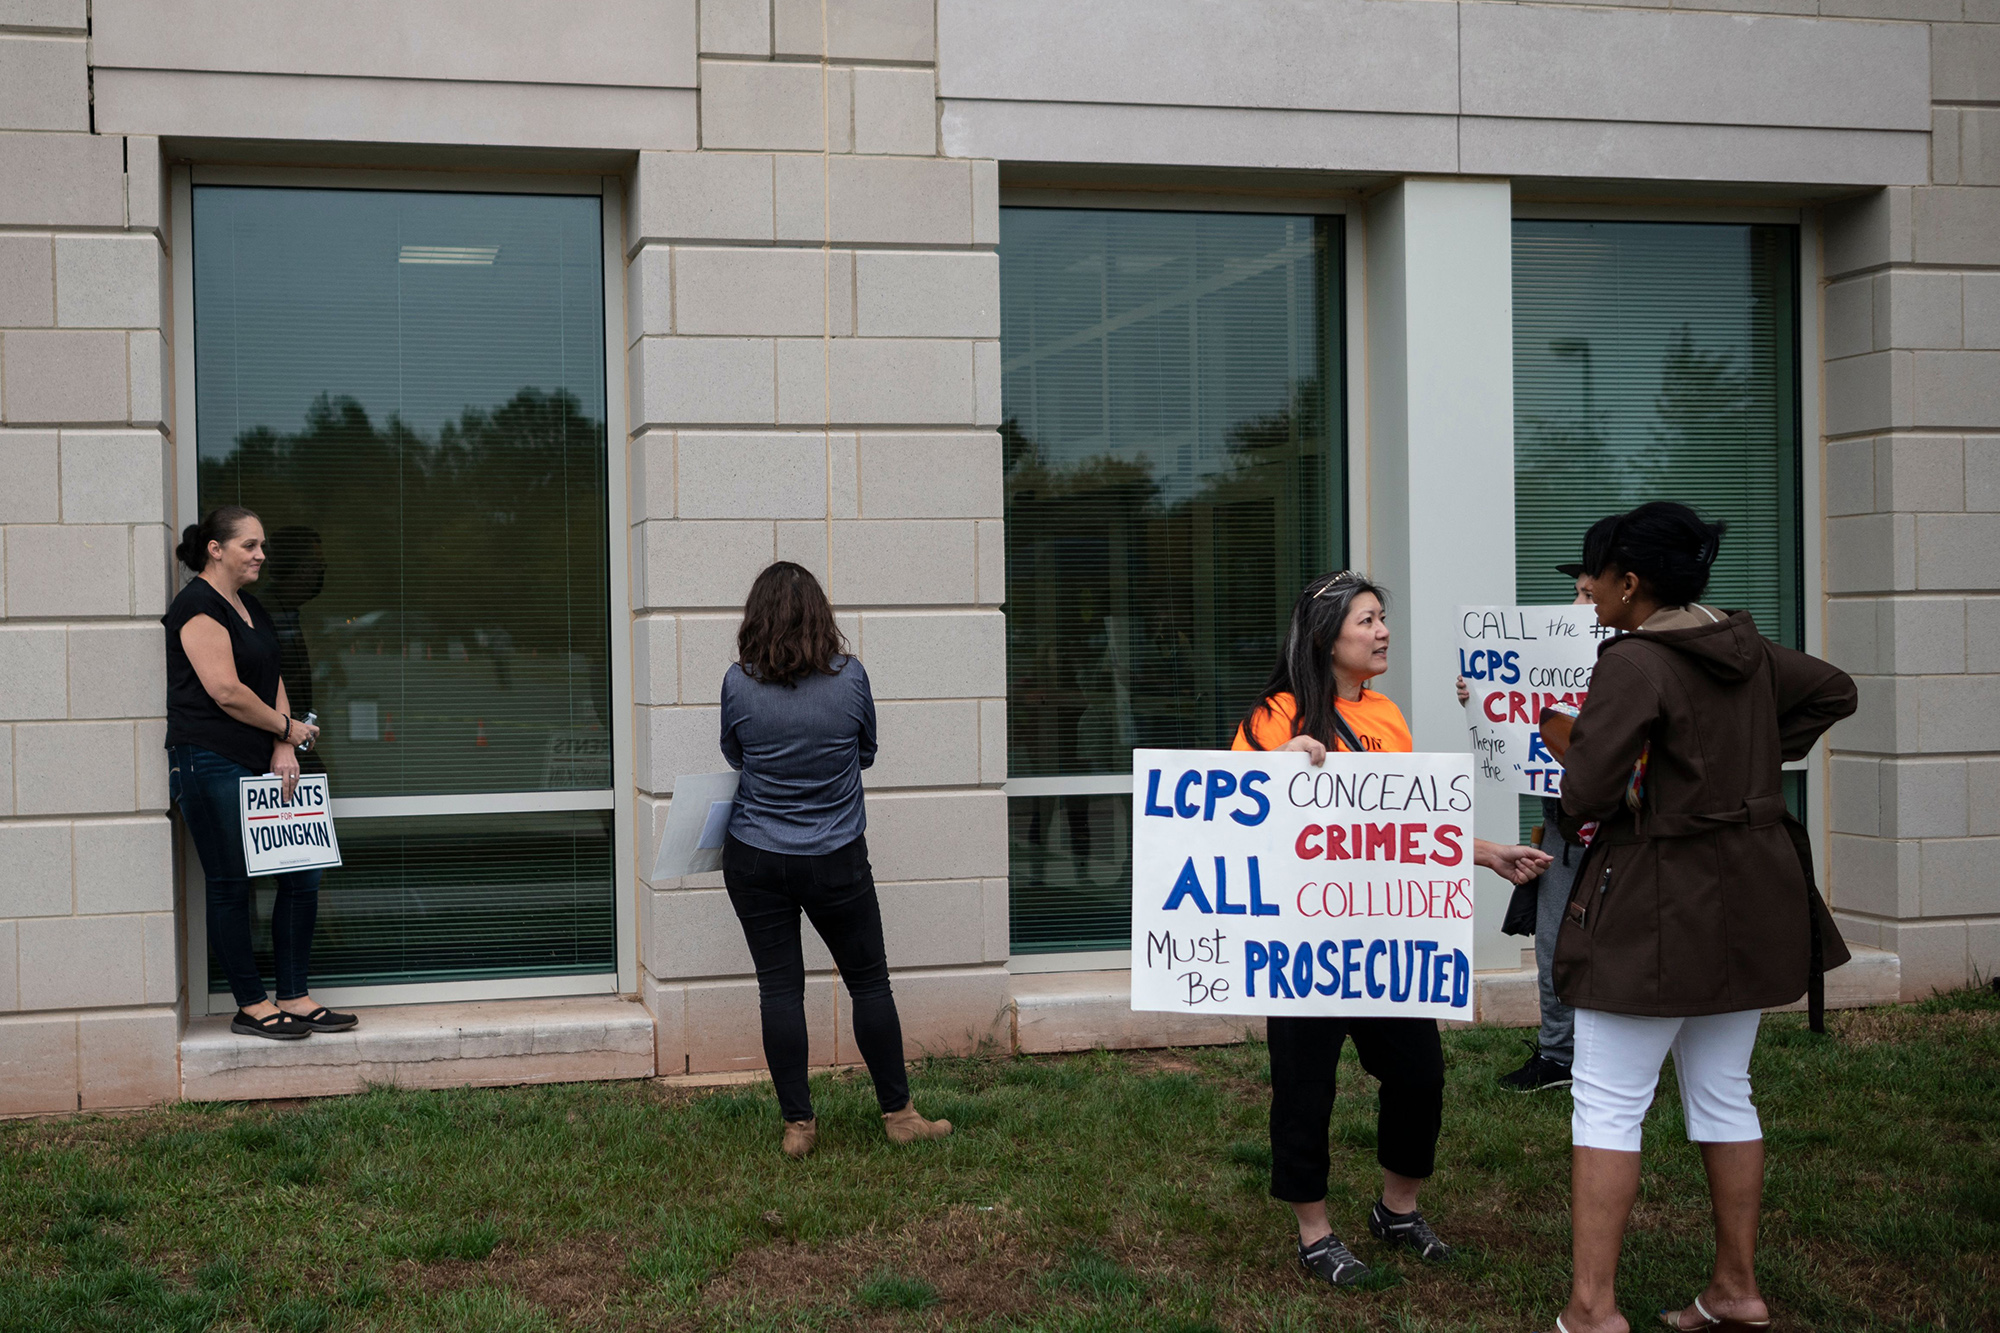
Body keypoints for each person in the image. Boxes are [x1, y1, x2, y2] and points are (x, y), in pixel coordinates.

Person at [1538, 502, 1855, 1333]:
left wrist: (1571, 746)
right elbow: (1835, 689)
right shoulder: (1741, 647)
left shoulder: (1634, 662)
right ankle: (1736, 1288)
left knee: (1606, 1102)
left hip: (1653, 901)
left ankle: (1593, 1308)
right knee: (1724, 1091)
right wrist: (1740, 757)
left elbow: (1585, 799)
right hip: (1753, 896)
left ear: (1630, 582)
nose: (1589, 590)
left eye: (1595, 574)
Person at [1235, 570, 1552, 1288]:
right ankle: (1314, 1233)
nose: (1382, 632)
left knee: (1420, 1074)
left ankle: (1396, 1210)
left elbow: (1404, 826)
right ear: (1326, 637)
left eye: (1382, 618)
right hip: (1303, 942)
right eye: (1366, 621)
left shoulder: (1388, 715)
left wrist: (1486, 852)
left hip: (1384, 936)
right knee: (1305, 1087)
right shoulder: (1273, 717)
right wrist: (1283, 765)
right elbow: (1234, 820)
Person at [718, 561, 951, 1158]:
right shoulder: (852, 678)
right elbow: (867, 751)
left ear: (756, 618)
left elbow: (735, 754)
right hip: (836, 856)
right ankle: (899, 1114)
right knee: (869, 982)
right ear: (822, 616)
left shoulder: (737, 682)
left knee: (779, 989)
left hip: (755, 857)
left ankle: (799, 1127)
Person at [165, 507, 354, 1040]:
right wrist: (291, 730)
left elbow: (271, 680)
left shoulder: (251, 607)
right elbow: (227, 691)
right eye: (250, 545)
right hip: (209, 760)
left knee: (302, 876)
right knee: (231, 885)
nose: (261, 555)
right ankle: (251, 1004)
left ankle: (293, 994)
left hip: (264, 760)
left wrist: (284, 742)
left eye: (263, 545)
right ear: (216, 549)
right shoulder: (196, 607)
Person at [1461, 514, 1620, 1094]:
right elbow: (1533, 724)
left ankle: (1621, 1058)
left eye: (1587, 591)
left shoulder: (1640, 662)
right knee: (1553, 940)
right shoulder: (1554, 653)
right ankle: (1559, 1055)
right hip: (1563, 822)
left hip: (1620, 828)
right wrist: (1485, 700)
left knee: (1617, 944)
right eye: (1576, 591)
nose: (1580, 602)